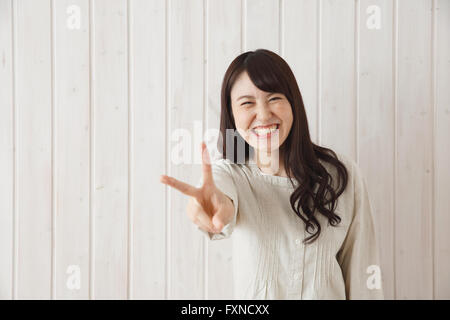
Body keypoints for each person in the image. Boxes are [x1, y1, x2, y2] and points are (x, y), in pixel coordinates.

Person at [160, 49, 384, 300]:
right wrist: (209, 208)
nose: (264, 115)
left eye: (274, 98)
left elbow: (363, 272)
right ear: (232, 115)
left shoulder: (341, 175)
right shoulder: (231, 175)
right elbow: (218, 200)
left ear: (293, 103)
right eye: (247, 103)